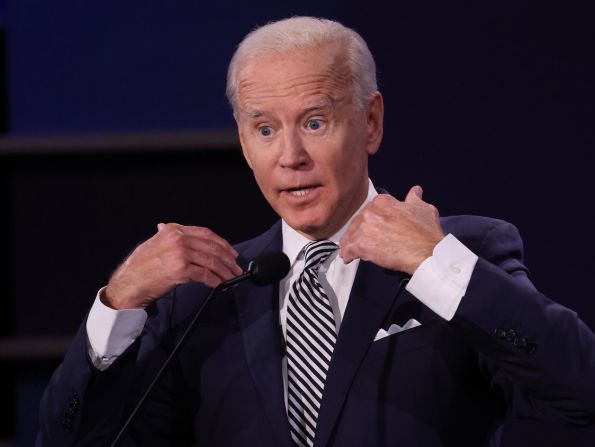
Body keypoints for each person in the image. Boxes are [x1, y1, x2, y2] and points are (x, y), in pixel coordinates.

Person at [36, 16, 595, 447]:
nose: (290, 157)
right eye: (264, 129)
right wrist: (119, 302)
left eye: (315, 122)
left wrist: (438, 264)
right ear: (242, 140)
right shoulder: (208, 296)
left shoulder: (465, 253)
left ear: (370, 121)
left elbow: (580, 392)